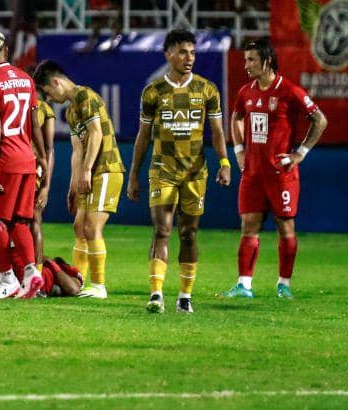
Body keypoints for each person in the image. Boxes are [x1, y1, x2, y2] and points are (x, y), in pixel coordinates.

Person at [127, 29, 230, 314]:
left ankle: (185, 296)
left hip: (195, 173)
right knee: (162, 229)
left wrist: (224, 163)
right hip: (162, 171)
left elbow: (218, 131)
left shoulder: (207, 89)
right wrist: (134, 174)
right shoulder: (153, 91)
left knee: (189, 233)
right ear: (168, 54)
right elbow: (143, 136)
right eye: (183, 52)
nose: (189, 58)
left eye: (193, 52)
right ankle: (156, 294)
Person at [222, 38, 327, 299]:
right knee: (248, 226)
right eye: (246, 59)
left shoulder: (289, 91)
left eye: (251, 60)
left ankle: (284, 285)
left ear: (267, 61)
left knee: (285, 228)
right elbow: (236, 117)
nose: (246, 65)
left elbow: (319, 120)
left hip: (281, 174)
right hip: (253, 174)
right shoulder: (246, 92)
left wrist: (300, 153)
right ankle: (244, 285)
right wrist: (238, 150)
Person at [34, 60, 125, 300]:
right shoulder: (72, 109)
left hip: (106, 169)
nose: (50, 98)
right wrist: (74, 184)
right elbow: (76, 149)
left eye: (49, 92)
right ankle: (80, 281)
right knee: (78, 227)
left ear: (56, 82)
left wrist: (86, 170)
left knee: (91, 227)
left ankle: (99, 285)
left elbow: (95, 133)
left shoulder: (85, 96)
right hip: (89, 173)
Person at [0, 30, 48, 299]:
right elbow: (34, 122)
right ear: (6, 51)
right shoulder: (27, 80)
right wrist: (42, 157)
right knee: (20, 219)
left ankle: (7, 278)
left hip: (5, 159)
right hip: (27, 158)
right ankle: (31, 273)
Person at [32, 90, 56, 267]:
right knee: (34, 220)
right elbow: (49, 150)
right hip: (33, 170)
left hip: (10, 166)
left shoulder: (10, 101)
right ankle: (36, 273)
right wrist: (46, 187)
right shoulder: (45, 109)